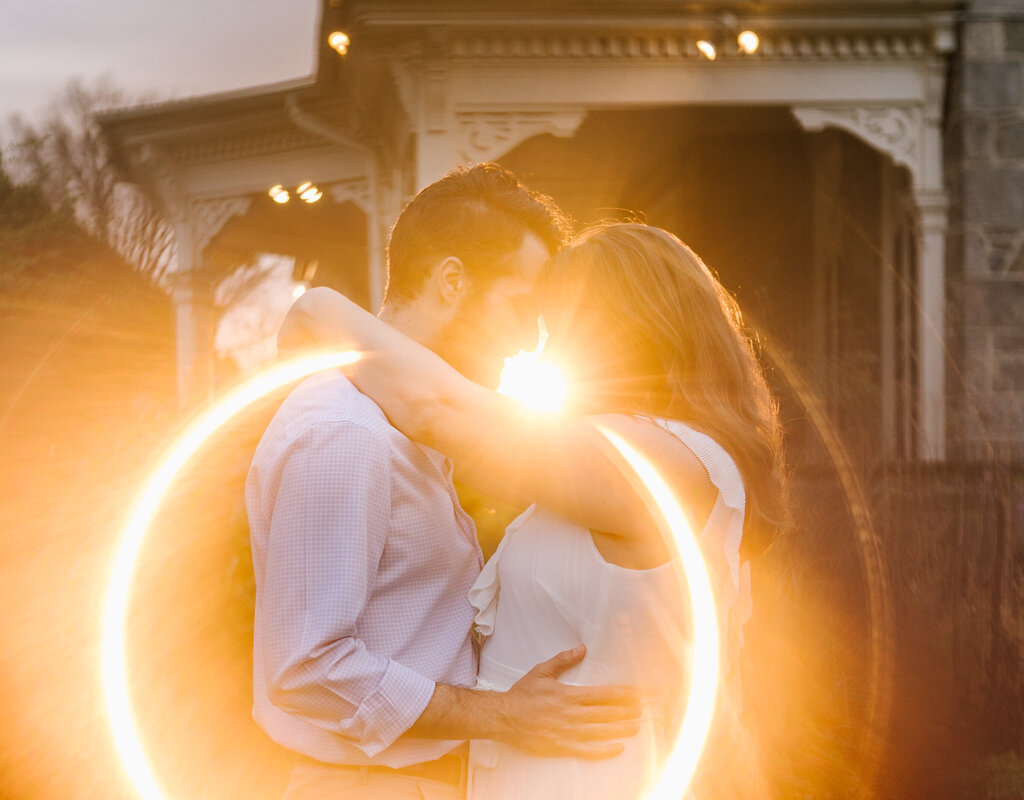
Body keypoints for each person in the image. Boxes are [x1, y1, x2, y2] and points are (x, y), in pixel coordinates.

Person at [280, 221, 788, 799]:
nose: (539, 347)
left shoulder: (653, 459)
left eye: (555, 327)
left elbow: (435, 406)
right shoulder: (620, 452)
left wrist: (318, 308)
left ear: (619, 328)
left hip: (597, 778)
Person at [246, 164, 642, 800]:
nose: (527, 342)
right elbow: (308, 666)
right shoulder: (346, 434)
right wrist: (502, 716)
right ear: (452, 280)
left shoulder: (403, 428)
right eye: (521, 307)